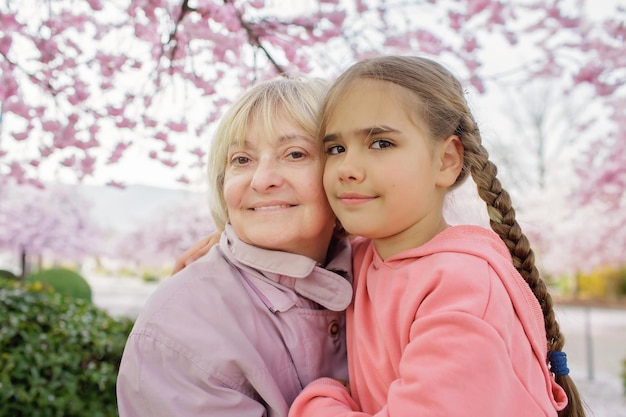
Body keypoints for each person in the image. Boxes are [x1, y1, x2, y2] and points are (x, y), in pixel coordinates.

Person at [174, 57, 586, 417]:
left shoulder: (461, 290)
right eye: (335, 148)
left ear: (445, 160)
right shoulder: (372, 255)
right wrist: (236, 247)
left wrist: (321, 400)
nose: (348, 168)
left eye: (381, 142)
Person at [116, 76, 354, 417]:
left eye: (295, 154)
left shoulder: (386, 271)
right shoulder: (181, 325)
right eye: (242, 160)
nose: (262, 179)